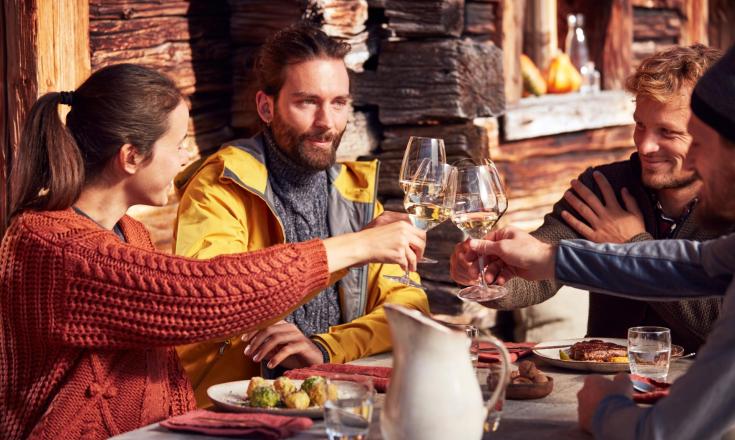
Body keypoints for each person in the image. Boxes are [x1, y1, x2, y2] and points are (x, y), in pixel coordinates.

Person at [0, 64, 425, 440]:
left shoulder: (128, 232)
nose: (187, 155)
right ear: (131, 156)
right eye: (179, 142)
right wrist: (356, 246)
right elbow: (208, 291)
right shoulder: (49, 245)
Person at [451, 45, 735, 439]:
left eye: (670, 133)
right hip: (607, 386)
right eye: (639, 125)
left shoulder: (726, 206)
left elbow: (717, 324)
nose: (645, 146)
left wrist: (629, 242)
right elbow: (537, 270)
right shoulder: (606, 187)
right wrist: (496, 276)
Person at [173, 23, 429, 405]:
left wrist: (324, 349)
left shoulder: (353, 192)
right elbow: (215, 296)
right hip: (236, 408)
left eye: (339, 102)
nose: (327, 122)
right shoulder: (221, 185)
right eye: (307, 102)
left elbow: (409, 306)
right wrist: (356, 246)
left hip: (329, 400)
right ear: (266, 106)